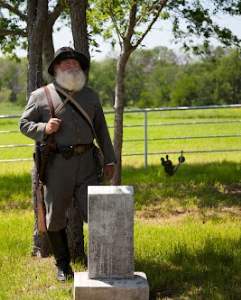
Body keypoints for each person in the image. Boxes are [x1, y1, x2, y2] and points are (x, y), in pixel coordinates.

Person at [19, 47, 116, 281]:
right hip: (56, 165)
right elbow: (23, 124)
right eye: (65, 63)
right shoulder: (40, 95)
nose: (71, 66)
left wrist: (110, 159)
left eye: (75, 63)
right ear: (55, 69)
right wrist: (44, 128)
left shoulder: (90, 96)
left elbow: (102, 130)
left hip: (87, 164)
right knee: (55, 217)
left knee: (96, 213)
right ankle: (63, 266)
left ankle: (101, 261)